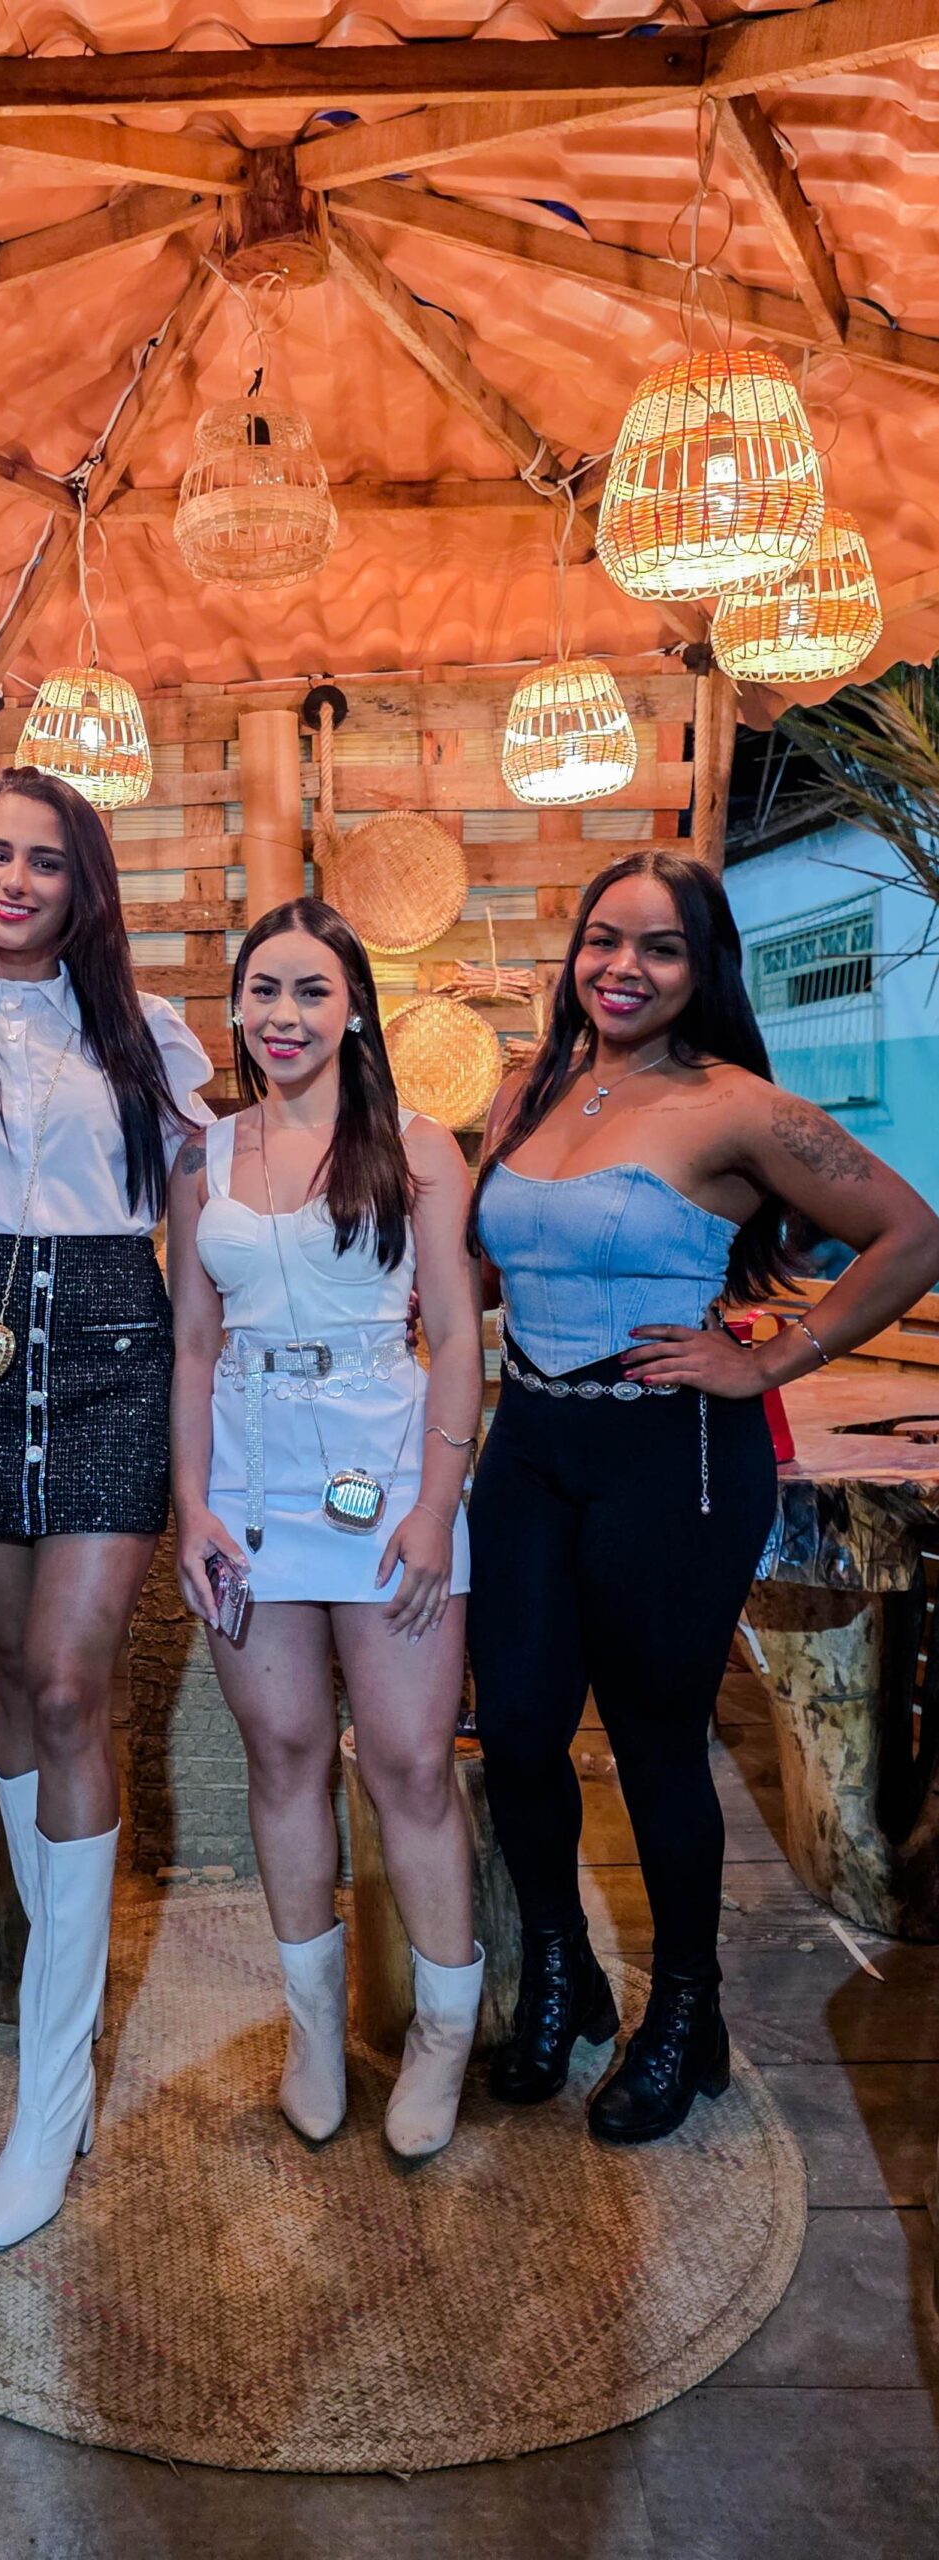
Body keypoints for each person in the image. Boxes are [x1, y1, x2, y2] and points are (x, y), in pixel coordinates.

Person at [465, 851, 939, 2145]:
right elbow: (491, 1266)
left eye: (660, 947)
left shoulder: (736, 1106)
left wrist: (774, 1356)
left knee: (655, 1743)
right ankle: (560, 1972)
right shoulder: (528, 1088)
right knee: (516, 1732)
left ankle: (685, 2010)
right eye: (603, 938)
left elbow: (911, 1232)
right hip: (527, 1446)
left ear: (702, 967)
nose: (622, 967)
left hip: (668, 1453)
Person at [0, 766, 214, 2252]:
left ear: (86, 886)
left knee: (73, 1682)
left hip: (115, 1351)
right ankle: (50, 2019)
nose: (14, 881)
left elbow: (206, 1228)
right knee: (10, 1679)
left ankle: (52, 2088)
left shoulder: (153, 1037)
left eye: (45, 861)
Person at [168, 898, 485, 2160]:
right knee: (284, 1754)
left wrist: (435, 1509)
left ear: (355, 1008)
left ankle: (443, 2033)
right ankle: (312, 2028)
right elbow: (194, 1346)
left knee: (408, 1762)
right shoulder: (203, 1155)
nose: (284, 1014)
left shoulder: (417, 1148)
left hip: (387, 1475)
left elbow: (453, 1334)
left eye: (311, 990)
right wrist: (191, 1503)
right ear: (236, 1007)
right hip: (248, 1485)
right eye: (264, 990)